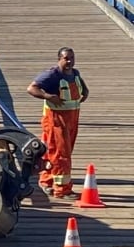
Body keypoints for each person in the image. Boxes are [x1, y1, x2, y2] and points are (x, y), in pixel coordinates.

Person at [27, 47, 89, 200]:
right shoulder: (52, 76)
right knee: (61, 154)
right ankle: (62, 189)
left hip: (72, 120)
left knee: (53, 153)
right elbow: (31, 88)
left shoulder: (75, 74)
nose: (69, 61)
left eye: (72, 58)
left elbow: (81, 85)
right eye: (66, 58)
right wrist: (48, 96)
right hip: (56, 121)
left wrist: (85, 91)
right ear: (59, 59)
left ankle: (47, 180)